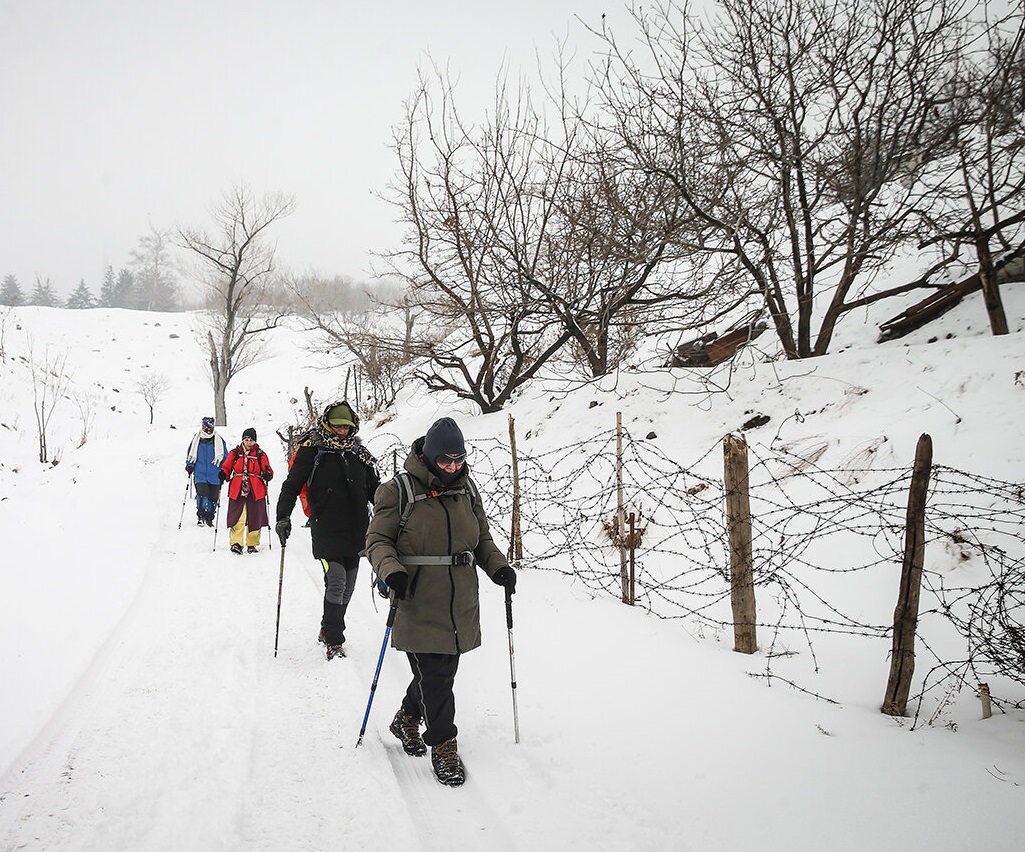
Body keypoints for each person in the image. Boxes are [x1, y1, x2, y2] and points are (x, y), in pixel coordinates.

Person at [365, 416, 516, 787]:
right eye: (446, 460)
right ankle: (444, 744)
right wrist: (391, 570)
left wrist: (498, 567)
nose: (453, 466)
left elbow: (481, 539)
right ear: (430, 457)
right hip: (416, 597)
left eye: (459, 459)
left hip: (460, 600)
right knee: (436, 678)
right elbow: (377, 541)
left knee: (439, 672)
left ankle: (405, 718)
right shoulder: (396, 491)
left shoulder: (467, 490)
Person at [274, 401, 380, 661]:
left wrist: (391, 516)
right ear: (327, 423)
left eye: (347, 426)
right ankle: (334, 639)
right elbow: (291, 486)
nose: (342, 431)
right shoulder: (312, 450)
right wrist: (282, 517)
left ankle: (327, 627)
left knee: (349, 586)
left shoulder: (359, 453)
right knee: (336, 580)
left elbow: (376, 491)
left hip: (357, 528)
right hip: (326, 527)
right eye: (337, 426)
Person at [219, 428, 273, 554]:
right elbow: (227, 466)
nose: (248, 442)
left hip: (256, 489)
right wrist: (223, 474)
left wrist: (268, 475)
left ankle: (252, 544)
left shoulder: (260, 454)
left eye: (251, 440)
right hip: (238, 488)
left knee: (255, 516)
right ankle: (236, 543)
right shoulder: (235, 453)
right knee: (238, 516)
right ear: (243, 440)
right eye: (246, 439)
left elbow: (268, 469)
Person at [185, 416, 227, 526]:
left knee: (213, 497)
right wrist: (190, 466)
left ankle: (209, 517)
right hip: (200, 473)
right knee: (202, 493)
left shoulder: (219, 441)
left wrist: (225, 471)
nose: (209, 430)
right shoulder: (196, 440)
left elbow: (225, 457)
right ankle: (201, 515)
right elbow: (190, 454)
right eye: (206, 428)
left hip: (215, 474)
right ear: (203, 427)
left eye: (211, 428)